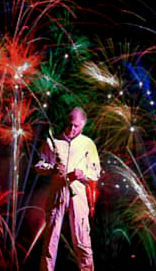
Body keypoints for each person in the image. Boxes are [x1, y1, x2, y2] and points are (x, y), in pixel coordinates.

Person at [35, 107, 101, 271]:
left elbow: (96, 172)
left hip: (77, 194)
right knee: (50, 239)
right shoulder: (53, 142)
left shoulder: (88, 144)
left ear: (83, 125)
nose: (72, 129)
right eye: (70, 124)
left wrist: (82, 174)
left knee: (82, 239)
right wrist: (51, 169)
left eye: (76, 126)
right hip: (57, 193)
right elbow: (39, 165)